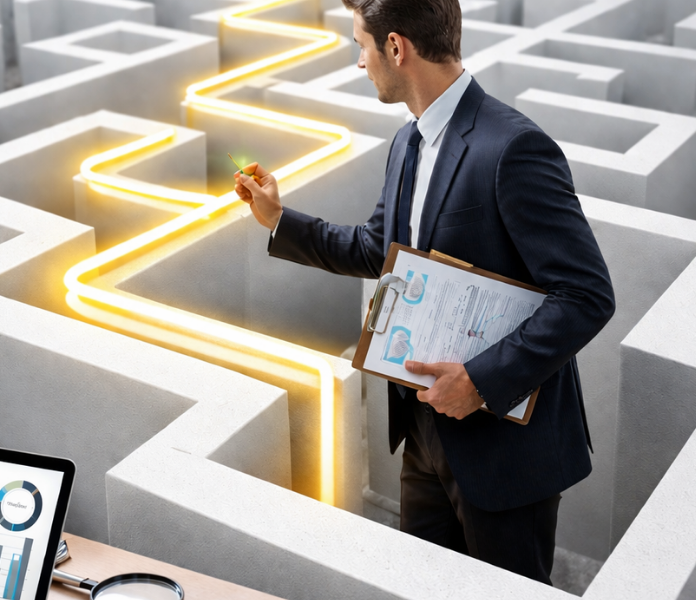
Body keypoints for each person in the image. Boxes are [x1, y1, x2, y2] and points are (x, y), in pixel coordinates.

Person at [233, 0, 616, 585]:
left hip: (504, 450)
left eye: (361, 46)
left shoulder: (514, 149)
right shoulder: (407, 143)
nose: (359, 63)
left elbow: (587, 294)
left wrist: (480, 382)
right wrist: (280, 220)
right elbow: (376, 249)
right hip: (423, 433)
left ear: (395, 47)